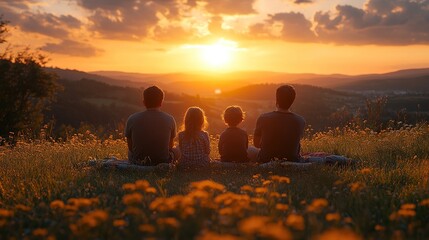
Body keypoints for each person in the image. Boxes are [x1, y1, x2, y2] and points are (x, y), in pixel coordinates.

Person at [124, 86, 178, 166]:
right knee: (178, 150)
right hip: (162, 161)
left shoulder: (132, 118)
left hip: (139, 161)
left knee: (130, 153)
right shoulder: (170, 119)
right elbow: (170, 146)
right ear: (161, 102)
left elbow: (130, 147)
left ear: (144, 102)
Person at [251, 85, 305, 163]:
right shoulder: (300, 120)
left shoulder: (263, 118)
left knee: (249, 149)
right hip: (292, 160)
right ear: (292, 100)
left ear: (277, 99)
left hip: (266, 160)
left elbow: (256, 144)